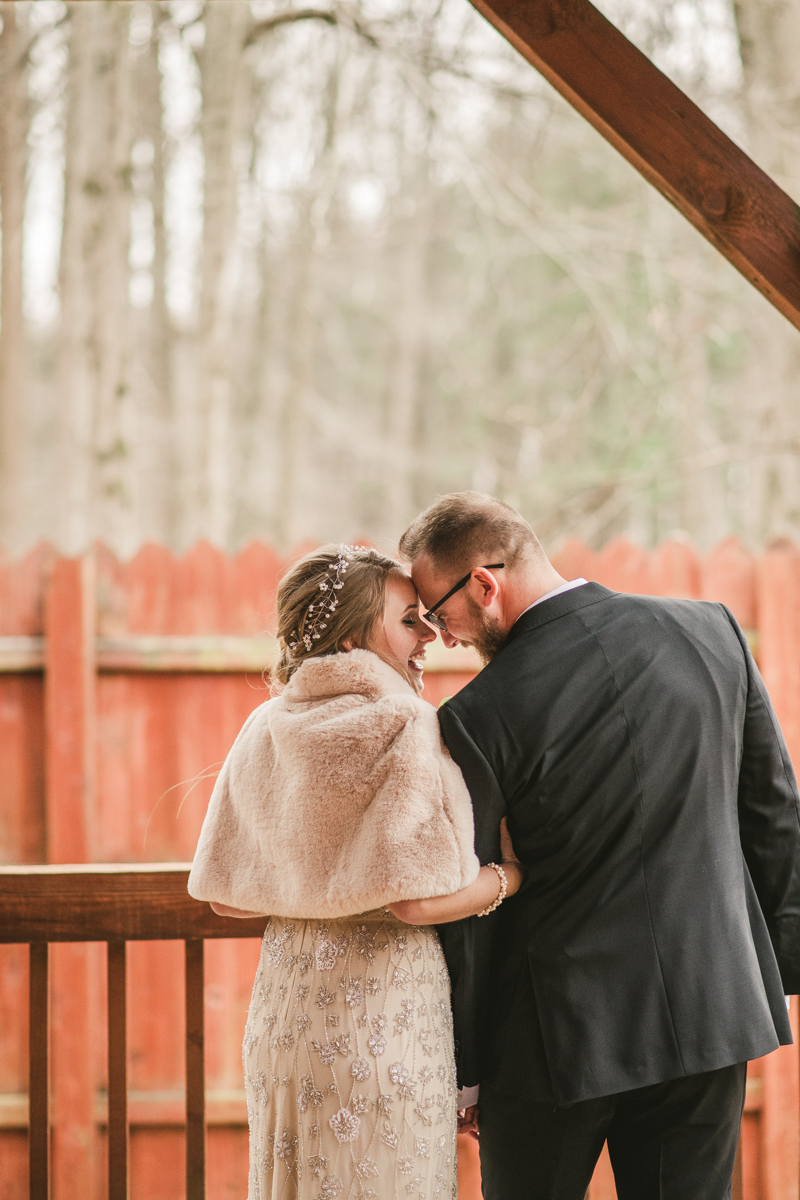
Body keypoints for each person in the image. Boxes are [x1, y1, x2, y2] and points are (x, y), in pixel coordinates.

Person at [398, 491, 800, 1200]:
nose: (443, 635)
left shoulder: (476, 716)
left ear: (485, 584)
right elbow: (773, 814)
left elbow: (472, 899)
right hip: (710, 1009)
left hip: (554, 1039)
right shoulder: (712, 633)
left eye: (439, 611)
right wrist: (775, 965)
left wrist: (466, 1065)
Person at [187, 544, 523, 1200]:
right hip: (382, 1012)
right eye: (409, 621)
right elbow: (420, 900)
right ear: (351, 635)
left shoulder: (264, 724)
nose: (428, 636)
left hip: (287, 1014)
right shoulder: (406, 723)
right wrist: (512, 875)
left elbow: (224, 896)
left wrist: (316, 884)